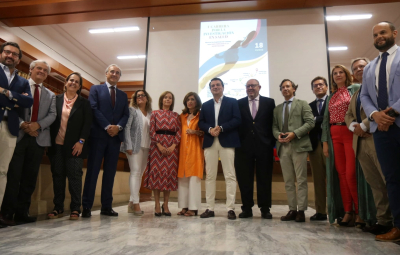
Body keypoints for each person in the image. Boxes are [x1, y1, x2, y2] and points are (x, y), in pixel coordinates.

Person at [1, 60, 56, 225]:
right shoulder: (20, 86)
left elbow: (52, 115)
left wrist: (36, 125)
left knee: (29, 178)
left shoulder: (51, 95)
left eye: (45, 70)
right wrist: (23, 125)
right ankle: (6, 213)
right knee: (13, 176)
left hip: (38, 138)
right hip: (17, 135)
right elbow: (10, 107)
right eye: (39, 68)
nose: (42, 71)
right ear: (31, 70)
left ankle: (22, 212)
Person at [360, 21, 400, 242]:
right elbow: (365, 96)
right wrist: (375, 115)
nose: (379, 37)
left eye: (383, 32)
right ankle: (398, 226)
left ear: (394, 33)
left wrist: (392, 112)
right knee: (392, 179)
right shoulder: (369, 67)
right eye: (375, 34)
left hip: (398, 121)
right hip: (381, 129)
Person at [345, 57, 392, 235]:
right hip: (360, 143)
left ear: (371, 68)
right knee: (376, 184)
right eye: (355, 68)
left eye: (362, 66)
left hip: (377, 138)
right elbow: (348, 114)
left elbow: (383, 108)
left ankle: (397, 221)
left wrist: (364, 125)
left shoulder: (380, 87)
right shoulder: (356, 94)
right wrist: (353, 127)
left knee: (389, 181)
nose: (359, 70)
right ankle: (384, 221)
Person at [82, 64, 129, 218]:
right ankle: (87, 206)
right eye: (112, 72)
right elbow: (93, 108)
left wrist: (118, 127)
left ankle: (106, 207)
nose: (114, 74)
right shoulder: (96, 89)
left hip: (115, 139)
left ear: (120, 77)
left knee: (110, 173)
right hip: (98, 137)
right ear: (106, 74)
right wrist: (108, 126)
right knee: (93, 172)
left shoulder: (122, 95)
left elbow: (125, 115)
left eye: (117, 73)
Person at [321, 65, 365, 227]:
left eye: (340, 72)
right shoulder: (331, 96)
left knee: (351, 174)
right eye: (335, 73)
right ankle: (348, 211)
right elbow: (325, 121)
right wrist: (325, 143)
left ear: (347, 75)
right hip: (334, 135)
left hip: (350, 133)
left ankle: (360, 212)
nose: (338, 75)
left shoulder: (354, 89)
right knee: (341, 174)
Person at [47, 72, 92, 220]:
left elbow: (87, 125)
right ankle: (58, 207)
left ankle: (75, 208)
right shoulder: (55, 99)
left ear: (79, 86)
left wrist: (81, 142)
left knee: (74, 177)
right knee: (58, 176)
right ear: (66, 82)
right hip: (57, 146)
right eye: (71, 80)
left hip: (75, 146)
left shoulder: (84, 103)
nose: (73, 83)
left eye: (77, 82)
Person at [0, 42, 33, 228]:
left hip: (10, 128)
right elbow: (20, 100)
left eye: (14, 54)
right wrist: (15, 99)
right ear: (1, 53)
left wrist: (5, 92)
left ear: (18, 59)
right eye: (6, 52)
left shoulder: (22, 81)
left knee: (2, 172)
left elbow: (27, 101)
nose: (10, 55)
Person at [198, 78, 241, 220]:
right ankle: (210, 208)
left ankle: (230, 209)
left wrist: (221, 128)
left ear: (223, 87)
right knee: (210, 176)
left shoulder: (232, 102)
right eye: (212, 86)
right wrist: (210, 129)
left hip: (227, 140)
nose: (215, 87)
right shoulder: (205, 105)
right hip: (210, 141)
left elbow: (237, 120)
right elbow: (201, 122)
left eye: (218, 85)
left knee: (230, 175)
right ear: (210, 89)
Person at [272, 79, 314, 223]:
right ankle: (292, 209)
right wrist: (277, 135)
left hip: (299, 146)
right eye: (283, 87)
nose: (285, 89)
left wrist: (294, 133)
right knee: (288, 181)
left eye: (288, 86)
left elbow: (310, 122)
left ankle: (301, 211)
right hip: (283, 147)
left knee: (301, 179)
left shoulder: (302, 104)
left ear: (294, 89)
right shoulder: (277, 108)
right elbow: (274, 127)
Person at [235, 79, 275, 219]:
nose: (250, 88)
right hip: (243, 147)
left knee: (264, 178)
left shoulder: (269, 103)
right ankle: (246, 208)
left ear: (259, 87)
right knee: (244, 178)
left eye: (253, 86)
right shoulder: (238, 103)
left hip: (264, 146)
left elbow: (272, 123)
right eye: (248, 86)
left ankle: (265, 208)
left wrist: (271, 142)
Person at [143, 91, 181, 217]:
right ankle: (157, 204)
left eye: (170, 98)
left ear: (172, 101)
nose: (168, 99)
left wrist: (173, 146)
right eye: (165, 97)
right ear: (161, 100)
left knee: (168, 175)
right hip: (156, 146)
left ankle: (166, 204)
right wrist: (159, 145)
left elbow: (179, 132)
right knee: (157, 175)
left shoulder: (176, 115)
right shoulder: (154, 113)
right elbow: (152, 131)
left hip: (172, 148)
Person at [121, 90, 152, 216]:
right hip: (134, 146)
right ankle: (136, 203)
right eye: (138, 96)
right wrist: (127, 144)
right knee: (135, 172)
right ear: (135, 98)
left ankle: (130, 202)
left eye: (142, 95)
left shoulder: (150, 113)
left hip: (147, 147)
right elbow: (126, 127)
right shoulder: (132, 111)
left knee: (140, 174)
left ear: (146, 98)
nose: (140, 97)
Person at [177, 92, 204, 217]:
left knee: (193, 179)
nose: (190, 101)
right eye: (188, 99)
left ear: (197, 102)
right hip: (182, 150)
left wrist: (194, 132)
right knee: (183, 179)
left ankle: (193, 208)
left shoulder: (201, 115)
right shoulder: (182, 116)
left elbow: (204, 132)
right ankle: (184, 206)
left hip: (195, 150)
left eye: (193, 99)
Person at [308, 76, 328, 221]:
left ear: (326, 87)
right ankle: (321, 211)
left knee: (333, 178)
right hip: (314, 146)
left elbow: (327, 118)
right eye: (315, 85)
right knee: (318, 180)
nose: (318, 87)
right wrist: (315, 120)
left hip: (331, 144)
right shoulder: (309, 106)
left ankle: (338, 211)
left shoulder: (333, 101)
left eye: (321, 84)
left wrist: (315, 119)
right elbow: (308, 123)